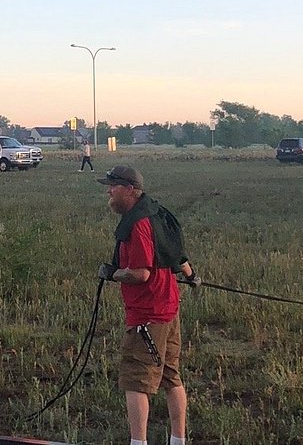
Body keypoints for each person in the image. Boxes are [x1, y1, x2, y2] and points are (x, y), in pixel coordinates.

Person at [97, 166, 199, 445]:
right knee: (171, 377)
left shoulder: (139, 224)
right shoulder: (156, 213)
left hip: (147, 316)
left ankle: (137, 442)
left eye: (113, 186)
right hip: (168, 310)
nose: (109, 191)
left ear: (129, 189)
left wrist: (112, 273)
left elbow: (141, 273)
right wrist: (192, 277)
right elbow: (177, 254)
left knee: (135, 381)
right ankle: (178, 440)